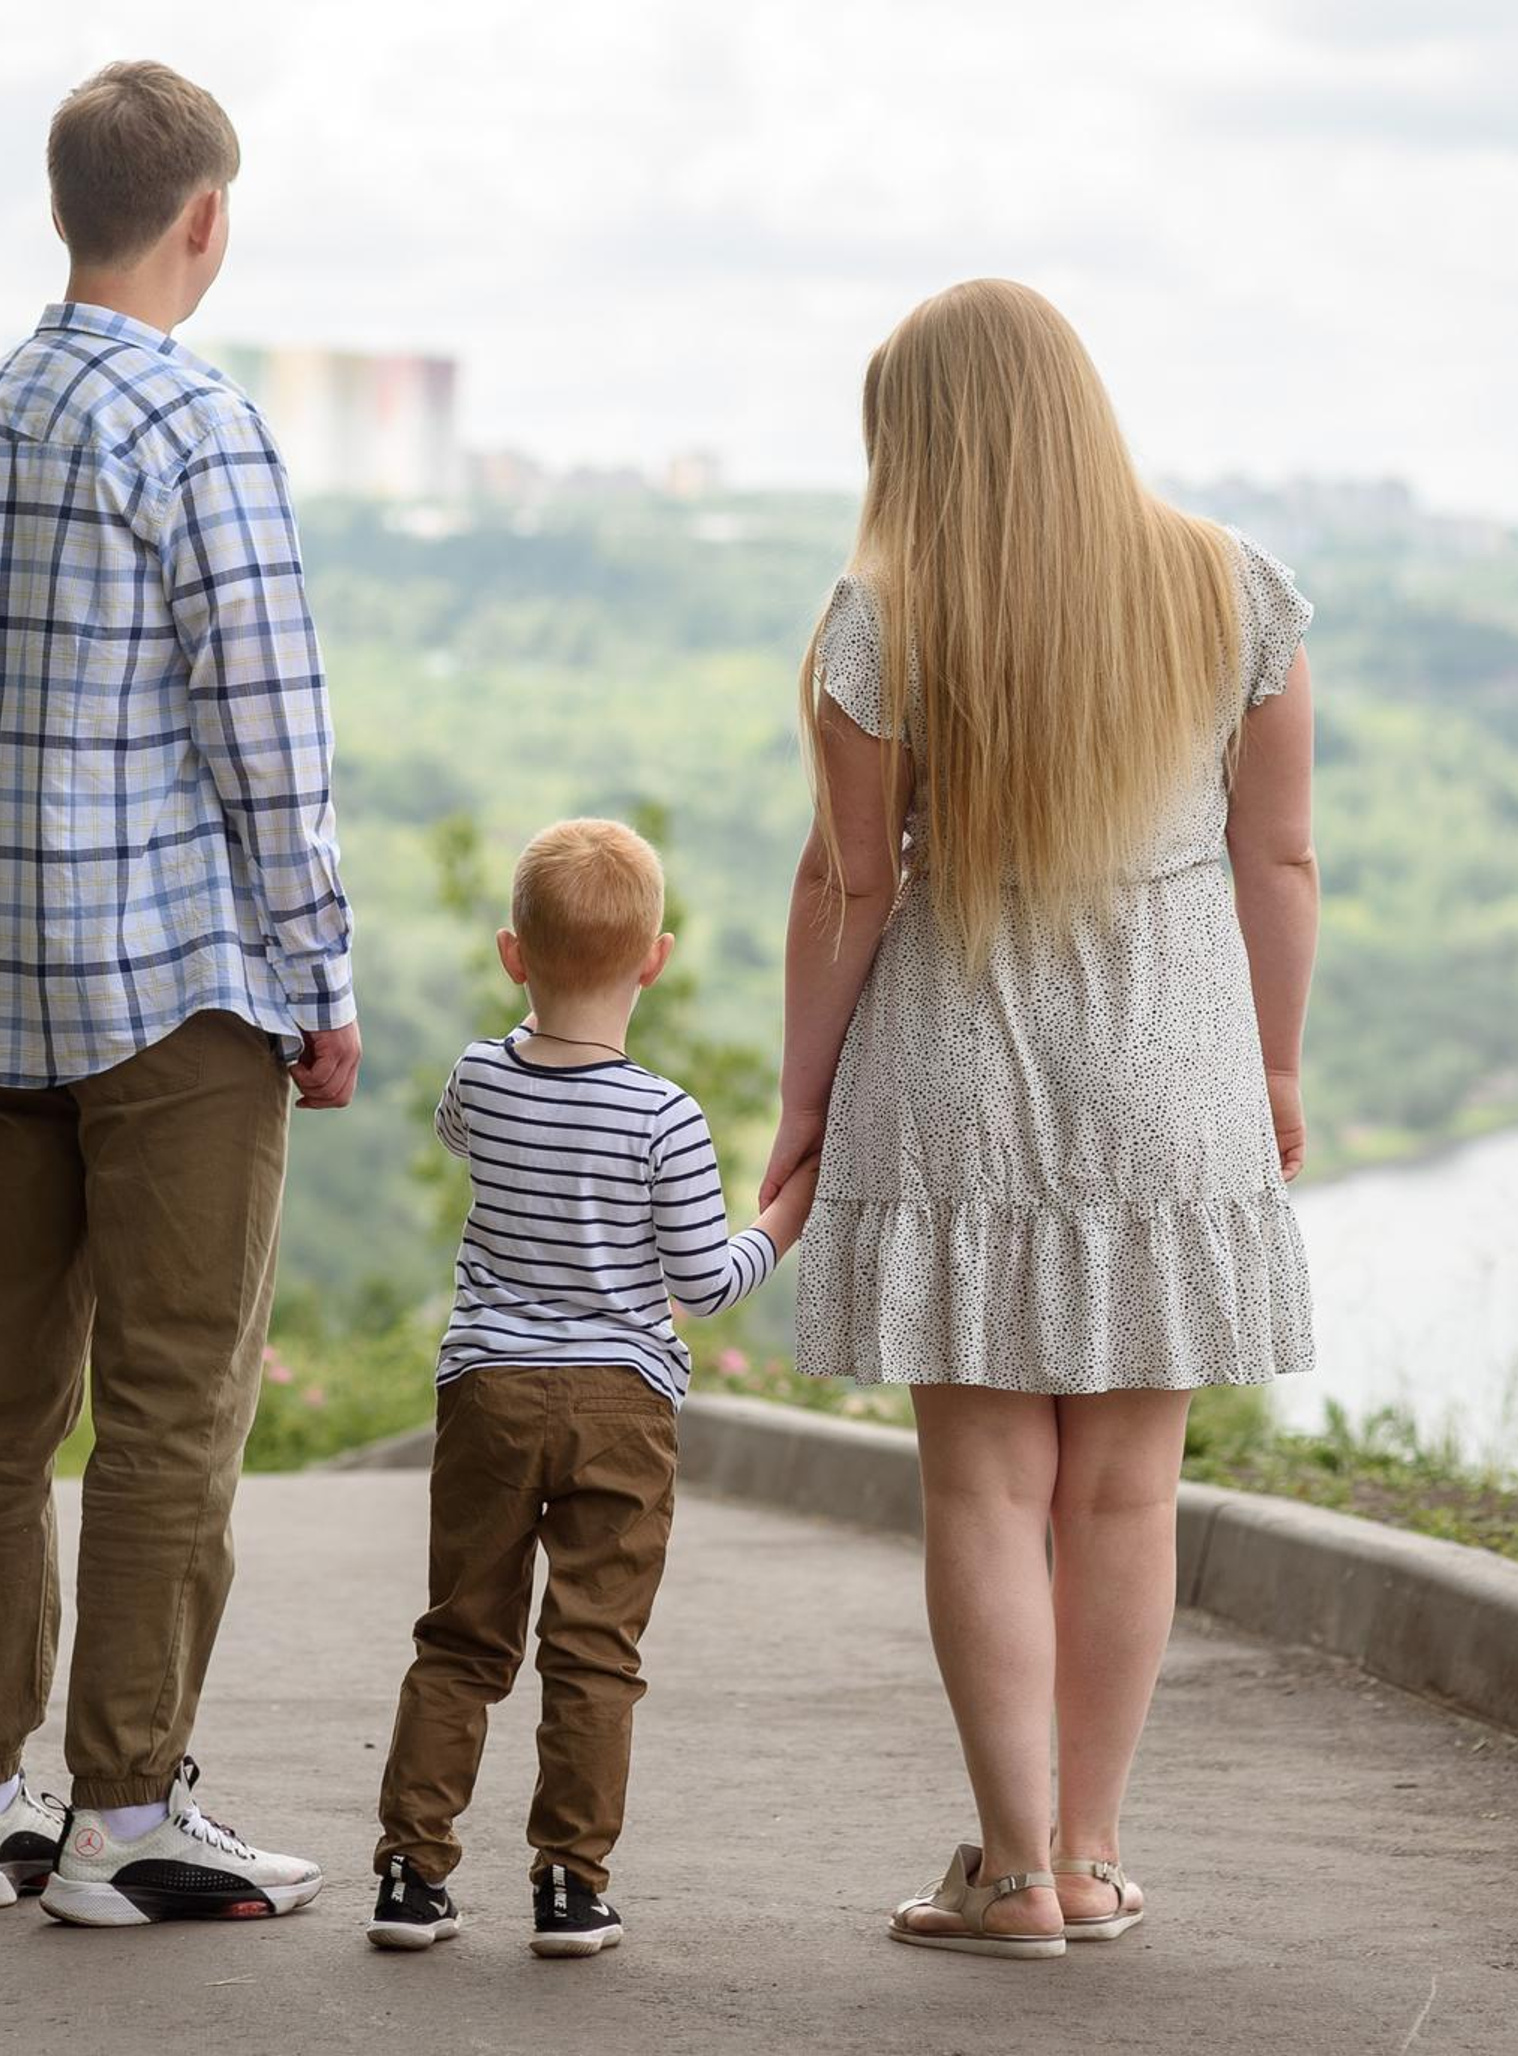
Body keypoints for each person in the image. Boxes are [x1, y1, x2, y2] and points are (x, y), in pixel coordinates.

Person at [761, 278, 1318, 1960]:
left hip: (959, 1074)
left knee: (988, 1490)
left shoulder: (881, 618)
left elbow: (852, 883)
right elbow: (1279, 856)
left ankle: (1010, 1877)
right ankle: (1092, 1854)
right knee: (1129, 1495)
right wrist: (1276, 1071)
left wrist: (801, 1101)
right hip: (1175, 1073)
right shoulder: (1235, 589)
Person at [0, 60, 359, 1926]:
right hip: (174, 996)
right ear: (206, 219)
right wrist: (319, 974)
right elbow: (270, 737)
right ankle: (125, 1817)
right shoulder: (195, 424)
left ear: (62, 205)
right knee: (173, 1404)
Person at [367, 819, 813, 1960]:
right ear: (654, 960)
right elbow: (703, 1283)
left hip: (489, 1390)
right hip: (622, 1401)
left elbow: (458, 1133)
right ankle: (569, 1886)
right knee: (593, 1651)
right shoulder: (666, 1117)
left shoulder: (478, 1075)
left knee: (461, 1639)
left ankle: (412, 1876)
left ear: (512, 954)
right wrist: (781, 1222)